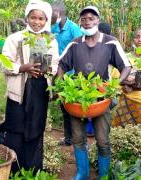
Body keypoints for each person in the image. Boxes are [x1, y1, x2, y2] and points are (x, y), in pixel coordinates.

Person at [58, 6, 132, 179]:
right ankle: (82, 172)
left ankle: (103, 174)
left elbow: (126, 66)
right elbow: (61, 65)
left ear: (98, 20)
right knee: (78, 138)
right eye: (83, 19)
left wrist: (114, 85)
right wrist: (61, 84)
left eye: (91, 18)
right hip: (78, 97)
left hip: (102, 97)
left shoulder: (110, 42)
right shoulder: (75, 43)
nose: (87, 21)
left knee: (103, 139)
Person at [2, 0, 59, 173]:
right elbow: (4, 63)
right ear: (27, 18)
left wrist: (49, 69)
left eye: (41, 18)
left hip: (39, 90)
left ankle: (33, 172)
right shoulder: (15, 38)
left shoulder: (50, 40)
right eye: (33, 17)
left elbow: (55, 62)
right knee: (16, 129)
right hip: (19, 92)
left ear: (46, 20)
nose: (37, 22)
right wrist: (22, 68)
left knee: (35, 129)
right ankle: (14, 171)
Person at [51, 0, 82, 146]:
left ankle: (74, 138)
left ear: (58, 13)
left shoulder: (74, 29)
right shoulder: (54, 28)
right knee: (63, 107)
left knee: (71, 107)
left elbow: (80, 50)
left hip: (71, 74)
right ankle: (69, 137)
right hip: (58, 72)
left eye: (52, 14)